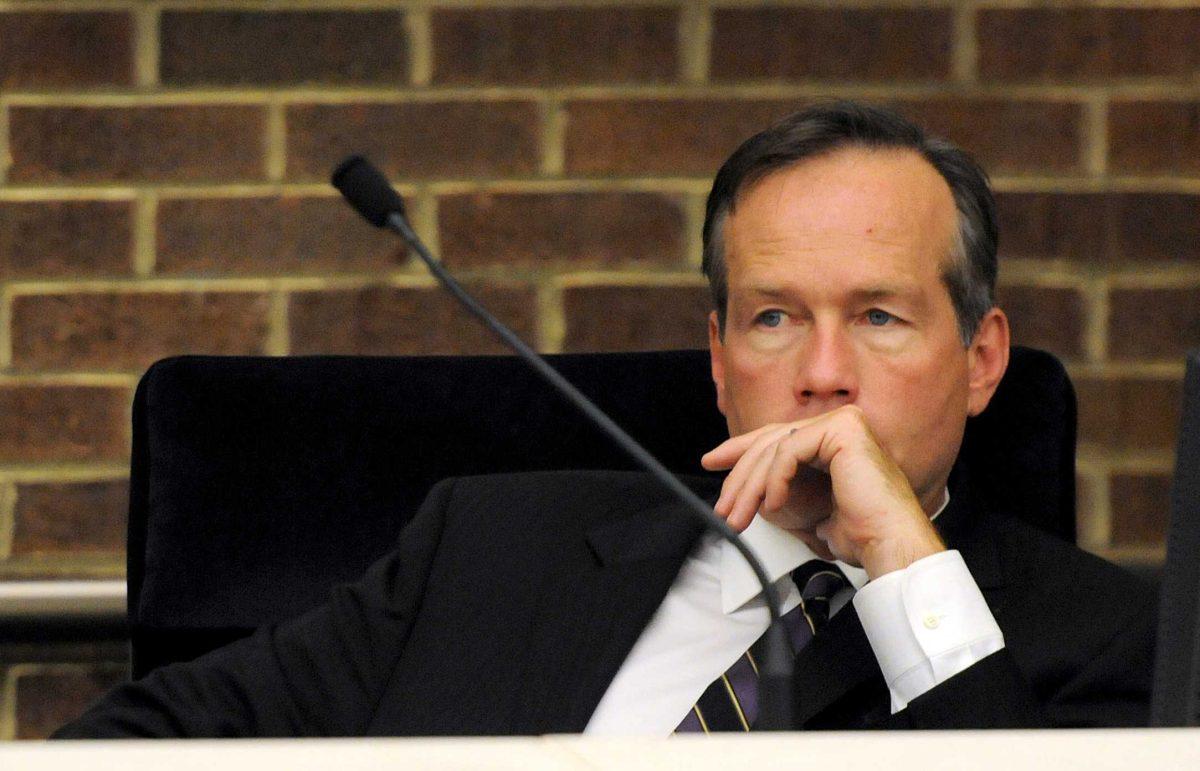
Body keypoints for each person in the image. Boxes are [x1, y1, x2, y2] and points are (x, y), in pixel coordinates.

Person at [55, 101, 1153, 738]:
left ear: (980, 359)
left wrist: (905, 566)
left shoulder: (1111, 639)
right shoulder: (482, 552)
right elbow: (132, 748)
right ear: (719, 361)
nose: (824, 374)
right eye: (774, 318)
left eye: (877, 316)